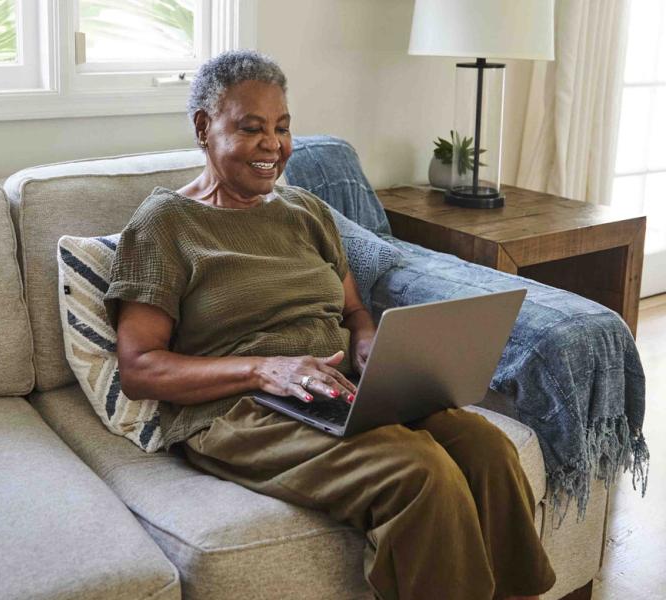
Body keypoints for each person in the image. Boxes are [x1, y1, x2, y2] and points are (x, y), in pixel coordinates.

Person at [104, 49, 556, 600]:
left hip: (342, 390)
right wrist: (266, 369)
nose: (273, 144)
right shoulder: (164, 225)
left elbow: (353, 311)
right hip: (241, 411)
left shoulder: (304, 211)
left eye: (283, 127)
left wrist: (369, 342)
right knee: (416, 471)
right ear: (204, 127)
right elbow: (140, 368)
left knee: (487, 448)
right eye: (252, 128)